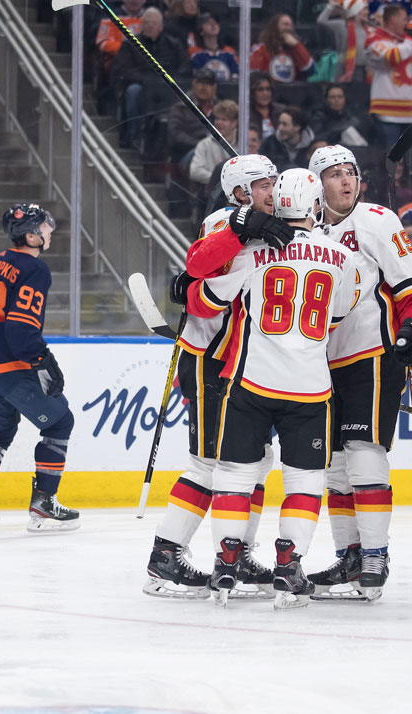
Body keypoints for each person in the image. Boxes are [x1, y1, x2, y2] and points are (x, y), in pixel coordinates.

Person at [183, 168, 357, 609]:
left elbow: (203, 296)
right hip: (310, 387)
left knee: (235, 475)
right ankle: (288, 563)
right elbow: (338, 314)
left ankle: (226, 559)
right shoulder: (341, 255)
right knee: (304, 480)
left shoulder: (252, 251)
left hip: (250, 381)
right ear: (316, 205)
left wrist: (191, 291)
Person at [147, 154, 293, 600]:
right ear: (240, 193)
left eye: (274, 182)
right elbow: (198, 273)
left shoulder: (279, 223)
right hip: (210, 361)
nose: (274, 190)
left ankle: (241, 552)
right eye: (264, 184)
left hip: (250, 365)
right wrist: (240, 225)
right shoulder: (221, 221)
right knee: (209, 461)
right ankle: (165, 555)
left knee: (256, 462)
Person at [302, 145, 412, 602]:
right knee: (334, 464)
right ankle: (350, 556)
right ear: (316, 185)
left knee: (362, 451)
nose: (344, 181)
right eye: (333, 175)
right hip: (318, 360)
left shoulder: (376, 220)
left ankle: (376, 552)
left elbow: (411, 285)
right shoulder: (306, 229)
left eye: (350, 173)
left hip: (371, 353)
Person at [0, 203, 80, 533]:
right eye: (45, 227)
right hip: (9, 364)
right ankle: (44, 504)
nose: (50, 231)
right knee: (59, 422)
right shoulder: (34, 269)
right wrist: (42, 360)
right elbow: (20, 327)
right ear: (30, 235)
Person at [111, 7, 188, 152]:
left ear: (161, 26)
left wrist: (171, 80)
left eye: (153, 23)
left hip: (167, 86)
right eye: (146, 22)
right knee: (133, 92)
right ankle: (135, 135)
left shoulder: (173, 44)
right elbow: (122, 69)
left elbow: (184, 67)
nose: (150, 25)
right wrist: (145, 80)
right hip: (141, 84)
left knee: (185, 94)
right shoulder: (131, 44)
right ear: (141, 25)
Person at [365, 4, 412, 148]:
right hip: (386, 112)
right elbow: (392, 56)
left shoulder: (409, 41)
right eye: (404, 19)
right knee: (390, 158)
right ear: (393, 19)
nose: (407, 23)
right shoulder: (374, 39)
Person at [249, 14, 313, 83]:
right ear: (275, 27)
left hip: (291, 91)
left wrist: (296, 46)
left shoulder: (296, 49)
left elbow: (310, 70)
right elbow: (252, 74)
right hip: (270, 91)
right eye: (285, 24)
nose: (289, 28)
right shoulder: (262, 49)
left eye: (291, 26)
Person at [188, 12, 239, 81]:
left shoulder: (229, 52)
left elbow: (236, 74)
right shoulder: (195, 53)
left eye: (215, 22)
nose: (213, 25)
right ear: (201, 31)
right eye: (208, 23)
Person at [260, 105, 313, 171]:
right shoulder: (269, 144)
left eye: (284, 124)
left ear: (297, 127)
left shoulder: (313, 146)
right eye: (280, 123)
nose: (280, 128)